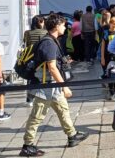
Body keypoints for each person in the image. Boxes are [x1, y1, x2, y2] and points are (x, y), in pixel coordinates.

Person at [20, 14, 88, 157]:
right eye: (63, 25)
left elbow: (53, 64)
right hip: (45, 85)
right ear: (56, 26)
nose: (65, 27)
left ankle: (72, 135)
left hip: (51, 84)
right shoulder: (48, 43)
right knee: (37, 116)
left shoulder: (52, 40)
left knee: (63, 110)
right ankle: (28, 145)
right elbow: (52, 67)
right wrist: (64, 86)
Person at [24, 16, 47, 105]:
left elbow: (26, 44)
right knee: (43, 77)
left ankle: (29, 99)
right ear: (40, 23)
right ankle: (43, 97)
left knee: (30, 78)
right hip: (41, 58)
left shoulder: (27, 33)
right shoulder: (45, 32)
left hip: (30, 57)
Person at [101, 17, 115, 101]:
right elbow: (103, 46)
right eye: (113, 23)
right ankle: (111, 92)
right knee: (109, 75)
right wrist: (102, 58)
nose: (114, 25)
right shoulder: (106, 33)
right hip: (107, 57)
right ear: (110, 23)